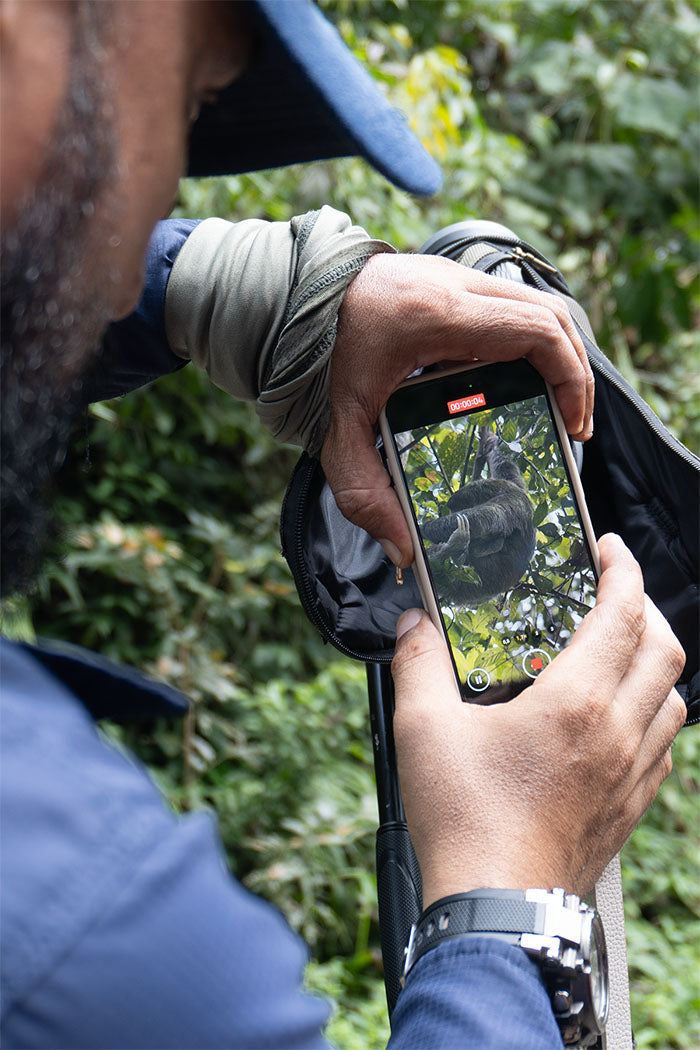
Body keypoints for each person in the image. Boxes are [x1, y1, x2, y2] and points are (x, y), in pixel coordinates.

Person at [0, 2, 686, 1048]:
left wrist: (229, 294)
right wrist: (508, 905)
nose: (141, 225)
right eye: (186, 101)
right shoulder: (102, 952)